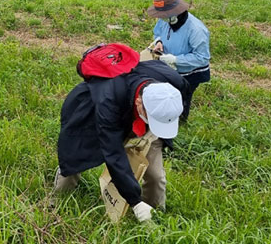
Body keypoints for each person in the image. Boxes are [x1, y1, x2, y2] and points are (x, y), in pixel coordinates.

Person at [53, 55, 189, 222]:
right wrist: (135, 201)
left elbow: (181, 106)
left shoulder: (174, 85)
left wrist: (160, 125)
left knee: (155, 175)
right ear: (139, 102)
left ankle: (154, 217)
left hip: (139, 117)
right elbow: (113, 153)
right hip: (93, 113)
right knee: (75, 158)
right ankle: (58, 204)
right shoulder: (108, 101)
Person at [147, 0, 210, 119]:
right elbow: (158, 32)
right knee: (166, 94)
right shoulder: (165, 20)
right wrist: (159, 42)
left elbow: (202, 58)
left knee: (182, 98)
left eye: (164, 16)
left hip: (190, 72)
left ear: (175, 14)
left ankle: (180, 120)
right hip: (169, 67)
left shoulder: (196, 29)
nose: (161, 19)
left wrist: (176, 60)